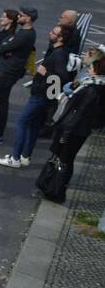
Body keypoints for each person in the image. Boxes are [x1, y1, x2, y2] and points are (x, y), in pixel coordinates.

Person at [0, 23, 75, 168]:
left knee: (22, 122)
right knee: (33, 126)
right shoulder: (60, 52)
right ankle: (25, 156)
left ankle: (15, 158)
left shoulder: (58, 54)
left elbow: (63, 76)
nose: (50, 33)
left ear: (61, 38)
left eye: (53, 32)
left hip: (41, 95)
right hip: (46, 95)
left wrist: (45, 73)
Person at [43, 47, 105, 194]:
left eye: (88, 56)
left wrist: (66, 129)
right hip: (78, 127)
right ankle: (53, 186)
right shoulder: (93, 83)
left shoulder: (92, 87)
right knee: (64, 159)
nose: (84, 57)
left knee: (64, 159)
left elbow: (80, 110)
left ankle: (56, 189)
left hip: (74, 128)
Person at [0, 5, 38, 145]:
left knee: (2, 101)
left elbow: (3, 47)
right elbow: (4, 46)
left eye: (21, 15)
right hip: (7, 69)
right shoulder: (23, 32)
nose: (18, 17)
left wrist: (6, 47)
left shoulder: (25, 34)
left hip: (9, 71)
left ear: (28, 18)